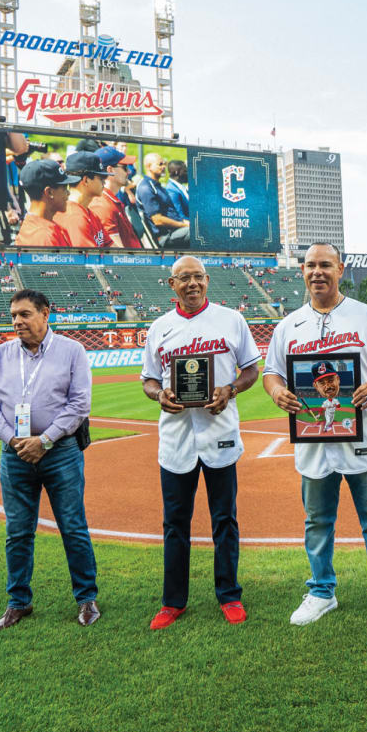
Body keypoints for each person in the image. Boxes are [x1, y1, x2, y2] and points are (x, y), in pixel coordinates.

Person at [263, 243, 367, 627]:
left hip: (363, 438)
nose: (318, 272)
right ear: (302, 271)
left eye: (325, 265)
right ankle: (320, 591)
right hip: (314, 442)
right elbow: (271, 372)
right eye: (310, 265)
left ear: (340, 269)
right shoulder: (288, 325)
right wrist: (278, 391)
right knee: (317, 521)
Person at [142, 256, 261, 630]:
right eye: (184, 278)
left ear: (207, 281)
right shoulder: (159, 327)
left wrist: (230, 389)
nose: (192, 284)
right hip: (176, 439)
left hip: (219, 433)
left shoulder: (231, 319)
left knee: (224, 519)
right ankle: (172, 602)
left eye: (198, 277)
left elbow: (252, 370)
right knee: (175, 523)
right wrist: (159, 393)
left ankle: (229, 594)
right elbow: (148, 379)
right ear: (171, 284)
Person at [0, 289, 99, 631]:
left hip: (61, 453)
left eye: (25, 314)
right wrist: (15, 440)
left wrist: (43, 441)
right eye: (13, 315)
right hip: (15, 456)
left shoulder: (72, 351)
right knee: (17, 531)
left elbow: (79, 405)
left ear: (46, 314)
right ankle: (18, 603)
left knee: (73, 527)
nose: (17, 321)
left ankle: (87, 599)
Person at [12, 159, 78, 248]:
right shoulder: (43, 238)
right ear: (49, 192)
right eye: (64, 188)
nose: (68, 193)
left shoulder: (41, 226)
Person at [54, 151, 112, 249]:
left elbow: (113, 250)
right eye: (101, 177)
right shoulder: (74, 217)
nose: (104, 182)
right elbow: (88, 261)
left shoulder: (90, 214)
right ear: (86, 180)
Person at [88, 146, 143, 249]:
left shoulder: (109, 200)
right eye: (125, 167)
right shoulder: (102, 205)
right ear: (110, 170)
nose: (129, 172)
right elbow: (115, 255)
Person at [135, 154, 191, 249]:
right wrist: (183, 225)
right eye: (160, 164)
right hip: (164, 237)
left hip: (175, 230)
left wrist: (186, 223)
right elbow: (158, 220)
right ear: (149, 167)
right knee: (198, 234)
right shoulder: (146, 188)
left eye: (164, 163)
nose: (164, 167)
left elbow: (172, 214)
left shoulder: (158, 186)